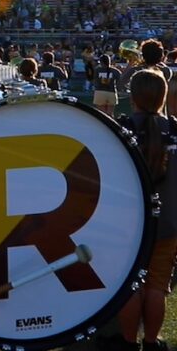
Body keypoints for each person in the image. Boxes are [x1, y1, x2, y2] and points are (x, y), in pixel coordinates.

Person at [100, 69, 177, 351]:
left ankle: (129, 342)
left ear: (132, 97)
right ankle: (151, 342)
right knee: (157, 288)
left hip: (127, 227)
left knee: (132, 286)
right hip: (167, 223)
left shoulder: (121, 129)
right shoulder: (175, 129)